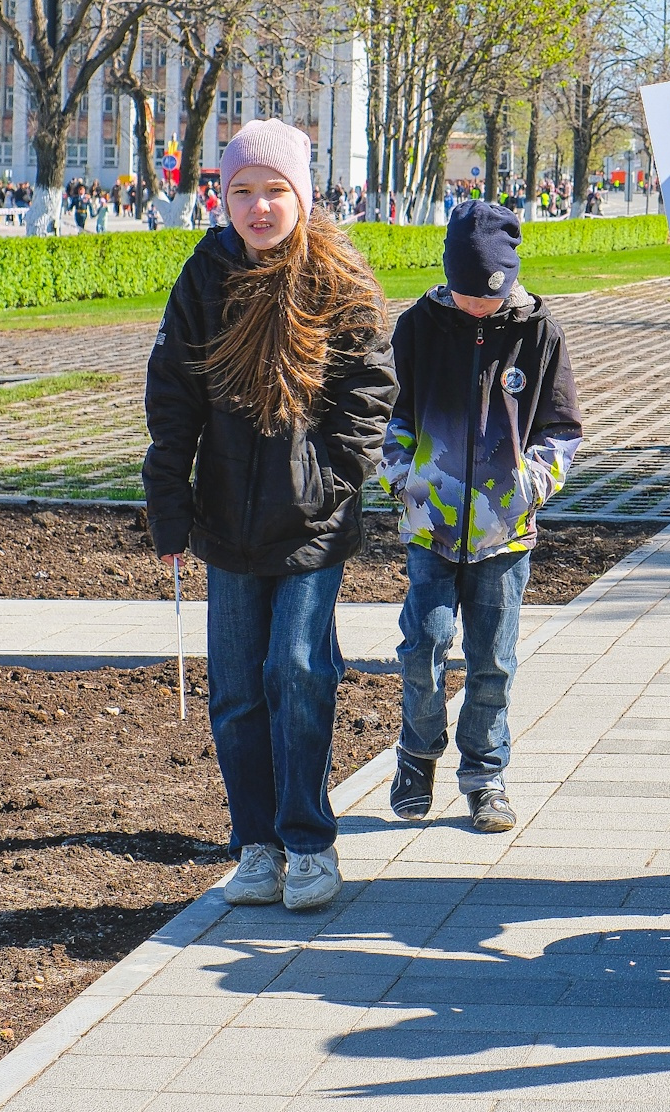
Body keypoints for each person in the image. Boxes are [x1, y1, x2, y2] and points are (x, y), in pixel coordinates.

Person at [143, 118, 397, 913]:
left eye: (274, 191)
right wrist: (169, 501)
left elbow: (369, 395)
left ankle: (310, 843)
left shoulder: (338, 282)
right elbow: (172, 394)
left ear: (302, 196)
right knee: (236, 690)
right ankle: (256, 845)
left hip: (310, 524)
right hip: (224, 522)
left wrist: (329, 479)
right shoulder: (205, 277)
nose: (258, 208)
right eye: (242, 192)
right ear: (223, 198)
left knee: (297, 670)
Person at [379, 199, 583, 831]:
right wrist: (403, 480)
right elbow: (392, 414)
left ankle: (485, 774)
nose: (477, 307)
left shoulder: (539, 333)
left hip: (506, 534)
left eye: (489, 296)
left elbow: (562, 428)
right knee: (425, 645)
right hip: (430, 527)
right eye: (466, 294)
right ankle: (417, 756)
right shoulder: (418, 327)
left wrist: (530, 485)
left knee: (493, 661)